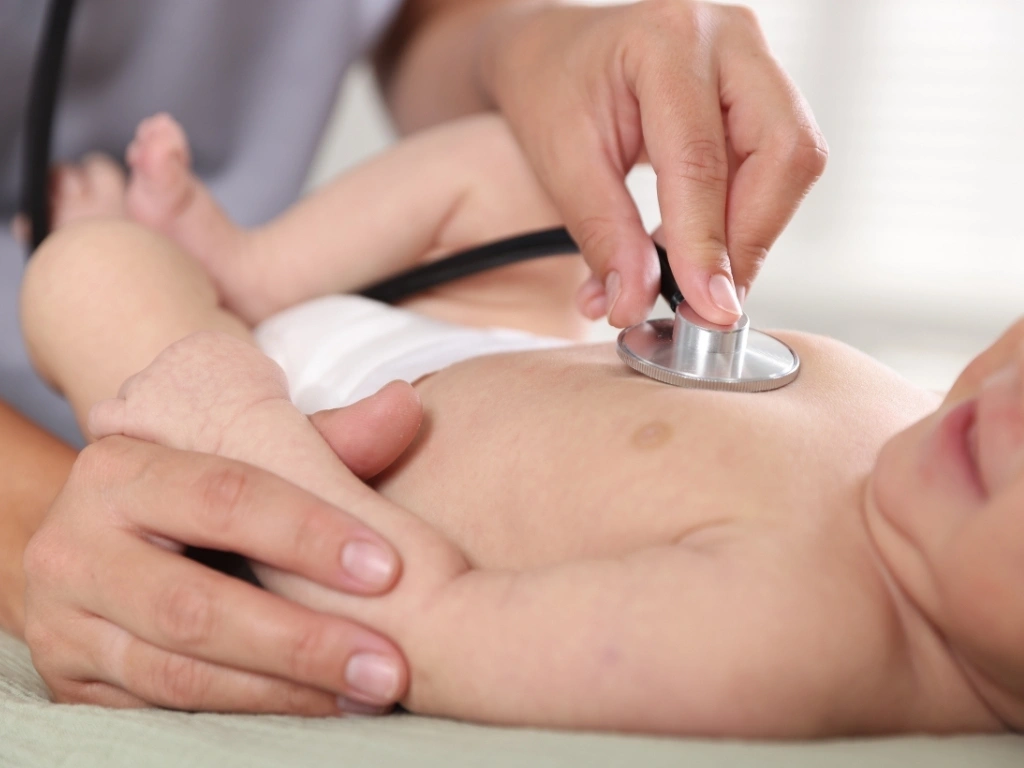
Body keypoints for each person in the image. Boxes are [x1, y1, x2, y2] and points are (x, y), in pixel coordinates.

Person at [18, 111, 1023, 737]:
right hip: (477, 342)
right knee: (520, 166)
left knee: (88, 270)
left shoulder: (796, 640)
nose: (1012, 411)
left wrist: (240, 433)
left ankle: (194, 311)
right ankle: (252, 267)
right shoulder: (930, 433)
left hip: (300, 441)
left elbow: (427, 626)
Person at [1, 1, 827, 714]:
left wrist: (526, 43)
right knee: (86, 271)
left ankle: (237, 304)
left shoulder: (854, 630)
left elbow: (429, 18)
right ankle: (237, 338)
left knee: (92, 271)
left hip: (355, 388)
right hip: (290, 374)